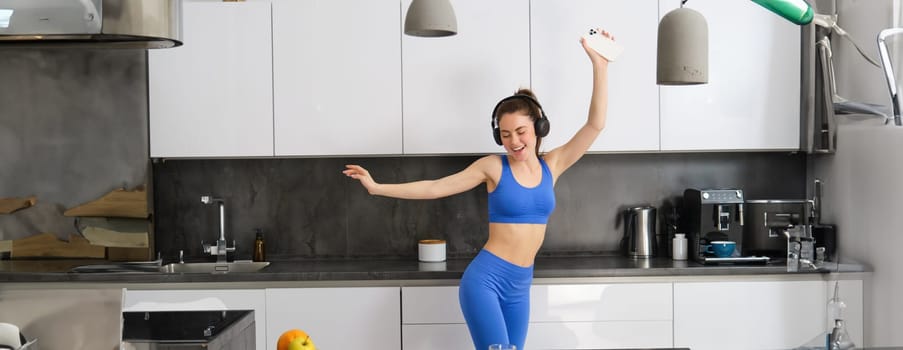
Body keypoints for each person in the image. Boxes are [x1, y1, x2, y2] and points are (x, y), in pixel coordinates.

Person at [343, 29, 614, 350]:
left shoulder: (551, 165)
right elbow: (434, 188)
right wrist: (377, 188)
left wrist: (600, 66)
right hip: (485, 281)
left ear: (540, 127)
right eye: (505, 134)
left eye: (521, 131)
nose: (514, 141)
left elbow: (595, 125)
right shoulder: (492, 167)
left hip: (520, 285)